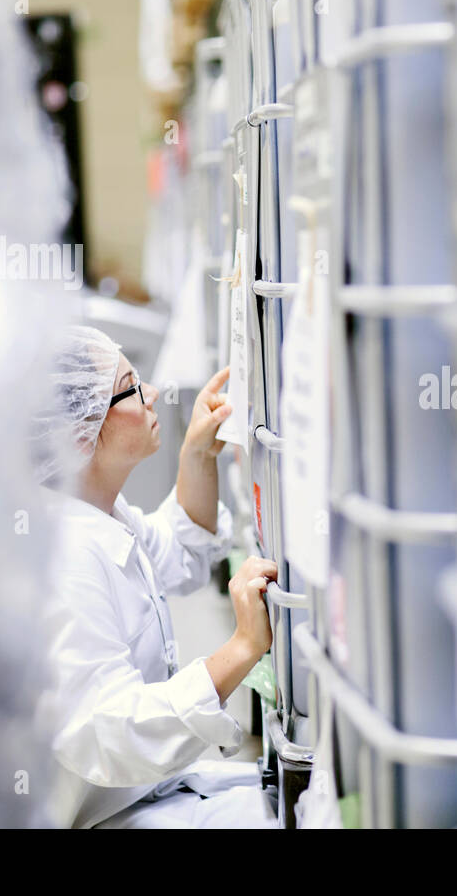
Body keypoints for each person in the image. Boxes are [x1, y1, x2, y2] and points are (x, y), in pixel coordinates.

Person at [34, 325, 277, 828]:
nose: (154, 394)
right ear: (82, 432)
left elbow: (179, 549)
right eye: (131, 386)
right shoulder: (66, 559)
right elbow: (107, 732)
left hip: (147, 793)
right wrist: (240, 648)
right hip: (108, 813)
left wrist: (197, 455)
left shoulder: (102, 514)